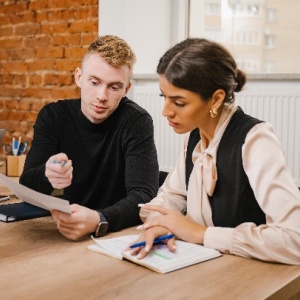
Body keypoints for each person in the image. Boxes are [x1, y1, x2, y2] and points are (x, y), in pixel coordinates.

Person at [130, 38, 300, 265]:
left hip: (249, 274)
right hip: (204, 265)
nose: (166, 111)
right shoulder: (195, 136)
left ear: (216, 99)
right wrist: (159, 225)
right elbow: (170, 197)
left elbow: (294, 239)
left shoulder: (255, 139)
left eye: (179, 102)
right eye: (164, 97)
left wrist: (200, 234)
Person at [19, 35, 159, 240]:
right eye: (94, 82)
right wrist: (46, 174)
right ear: (78, 77)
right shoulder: (53, 116)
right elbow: (27, 186)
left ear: (126, 89)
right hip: (64, 227)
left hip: (116, 232)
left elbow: (143, 196)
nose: (102, 96)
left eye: (114, 87)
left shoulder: (136, 121)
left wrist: (99, 218)